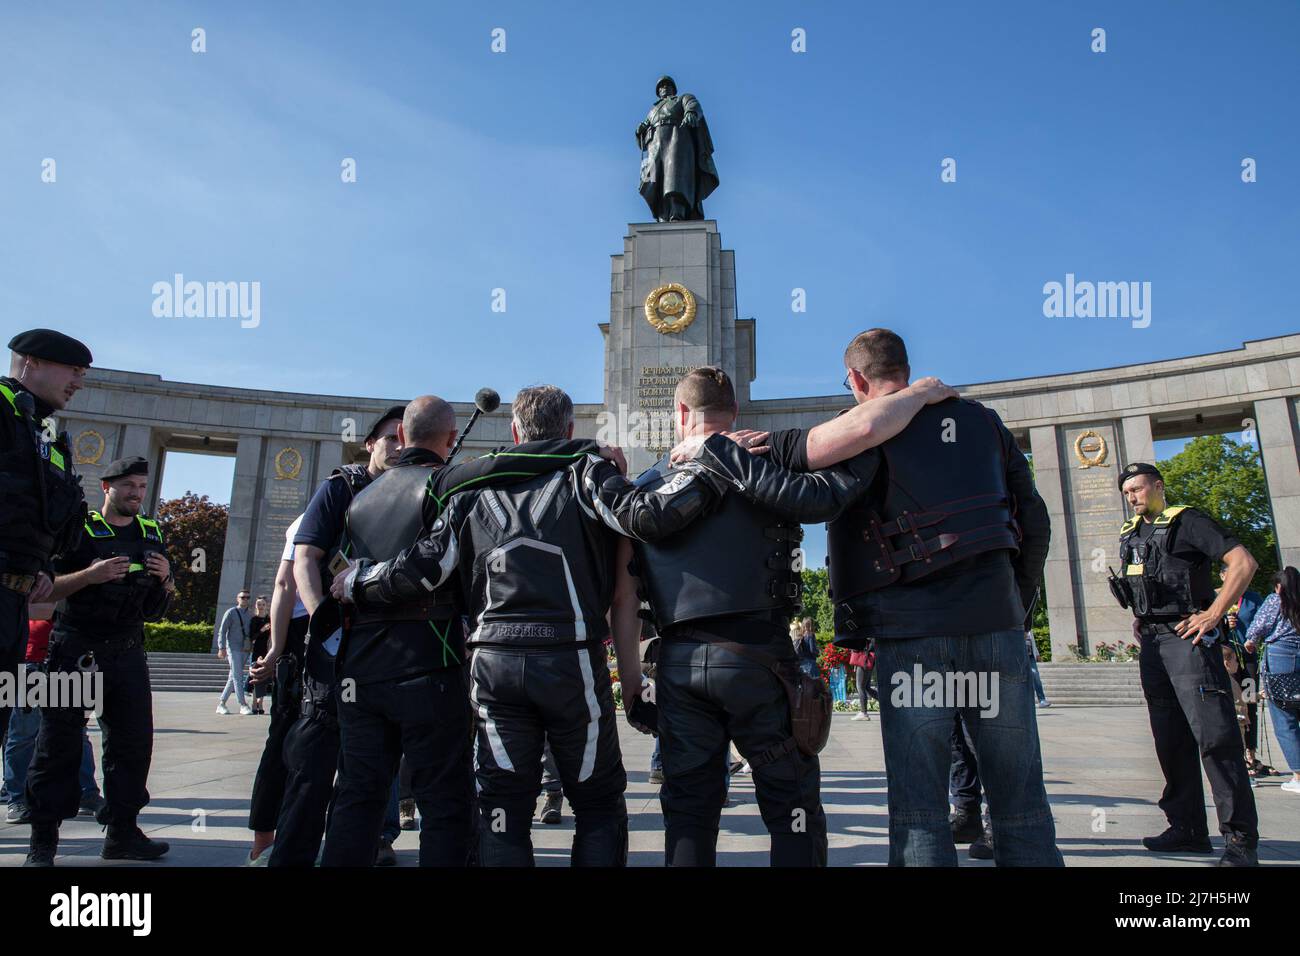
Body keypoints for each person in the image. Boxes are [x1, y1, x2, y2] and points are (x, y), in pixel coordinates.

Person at [335, 384, 727, 866]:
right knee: (599, 804)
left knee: (501, 808)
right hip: (571, 664)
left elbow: (423, 568)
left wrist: (359, 580)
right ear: (568, 430)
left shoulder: (470, 487)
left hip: (493, 667)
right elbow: (647, 517)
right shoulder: (588, 473)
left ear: (515, 430)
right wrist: (712, 463)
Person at [708, 329, 1058, 866]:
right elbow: (1033, 518)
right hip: (996, 626)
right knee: (1021, 800)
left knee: (920, 807)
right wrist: (1016, 603)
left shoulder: (863, 435)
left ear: (855, 380)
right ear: (906, 367)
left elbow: (807, 487)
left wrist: (729, 453)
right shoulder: (985, 423)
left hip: (910, 632)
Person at [639, 366, 937, 866]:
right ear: (736, 414)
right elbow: (838, 480)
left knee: (688, 812)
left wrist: (631, 682)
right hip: (762, 661)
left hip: (679, 663)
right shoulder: (769, 470)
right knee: (792, 808)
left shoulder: (649, 485)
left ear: (682, 413)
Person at [25, 456, 175, 866]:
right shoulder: (79, 530)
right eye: (128, 485)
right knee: (57, 745)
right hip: (73, 649)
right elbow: (44, 591)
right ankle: (43, 841)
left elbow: (158, 607)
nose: (136, 494)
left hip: (126, 653)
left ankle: (122, 834)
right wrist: (89, 576)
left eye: (142, 487)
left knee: (133, 745)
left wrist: (166, 580)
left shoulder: (151, 532)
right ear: (107, 487)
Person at [1113, 461, 1260, 866]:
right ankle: (1187, 829)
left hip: (1189, 640)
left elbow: (1243, 563)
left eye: (1138, 489)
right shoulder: (1133, 532)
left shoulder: (1188, 522)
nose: (1132, 497)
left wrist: (1214, 613)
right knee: (1170, 741)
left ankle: (1240, 840)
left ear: (1158, 487)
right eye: (1127, 492)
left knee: (1216, 740)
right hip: (1154, 645)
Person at [1, 330, 92, 751]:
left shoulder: (46, 435)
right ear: (31, 362)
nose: (79, 381)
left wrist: (42, 566)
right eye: (72, 370)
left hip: (14, 603)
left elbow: (44, 517)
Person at [242, 514, 311, 864]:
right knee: (284, 737)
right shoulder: (311, 516)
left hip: (351, 630)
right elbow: (284, 584)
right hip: (303, 634)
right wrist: (276, 648)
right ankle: (264, 836)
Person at [3, 603, 102, 824]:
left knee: (77, 731)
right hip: (31, 659)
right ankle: (17, 798)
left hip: (68, 658)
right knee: (22, 735)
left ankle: (87, 793)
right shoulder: (33, 574)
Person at [1246, 567, 1300, 794]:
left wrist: (1251, 640)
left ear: (1279, 586)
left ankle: (1298, 775)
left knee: (1284, 716)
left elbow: (1260, 625)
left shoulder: (1275, 600)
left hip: (1281, 657)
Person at [215, 590, 253, 716]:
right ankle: (242, 704)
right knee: (238, 676)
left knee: (233, 677)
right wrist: (221, 648)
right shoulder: (231, 612)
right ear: (238, 598)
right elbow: (222, 630)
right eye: (243, 597)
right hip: (233, 648)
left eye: (247, 597)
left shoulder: (250, 614)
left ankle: (221, 703)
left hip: (245, 649)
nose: (245, 599)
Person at [248, 596, 270, 714]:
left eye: (262, 604)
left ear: (266, 606)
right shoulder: (254, 620)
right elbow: (252, 637)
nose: (261, 607)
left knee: (264, 677)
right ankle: (253, 702)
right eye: (258, 604)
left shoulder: (270, 619)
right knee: (256, 676)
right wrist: (262, 630)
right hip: (257, 651)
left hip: (267, 650)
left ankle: (260, 703)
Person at [849, 643, 874, 721]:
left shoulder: (863, 635)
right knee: (867, 688)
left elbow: (857, 647)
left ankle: (863, 713)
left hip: (863, 661)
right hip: (868, 661)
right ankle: (886, 704)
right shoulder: (872, 634)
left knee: (860, 686)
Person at [1027, 630, 1050, 707]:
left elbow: (1032, 643)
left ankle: (1042, 700)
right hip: (1018, 657)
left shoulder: (1029, 630)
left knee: (1035, 676)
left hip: (1030, 657)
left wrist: (1037, 654)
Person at [794, 617, 820, 681]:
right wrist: (818, 651)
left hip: (802, 664)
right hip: (811, 664)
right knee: (815, 686)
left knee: (806, 687)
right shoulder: (811, 635)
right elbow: (812, 650)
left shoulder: (800, 636)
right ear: (812, 625)